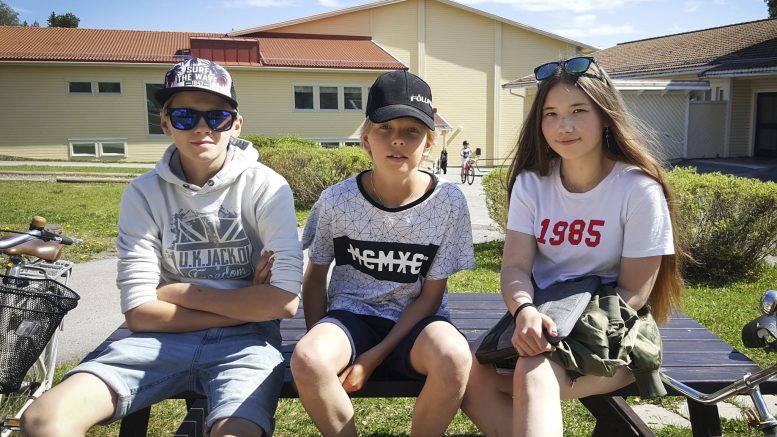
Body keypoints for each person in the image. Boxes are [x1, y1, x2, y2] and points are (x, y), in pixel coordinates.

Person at [21, 58, 303, 437]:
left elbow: (282, 301)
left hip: (246, 346)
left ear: (236, 124)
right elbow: (139, 314)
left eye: (216, 116)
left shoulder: (267, 187)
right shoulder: (143, 193)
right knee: (42, 420)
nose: (202, 128)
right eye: (185, 116)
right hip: (158, 340)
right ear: (165, 122)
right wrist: (248, 303)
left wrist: (176, 292)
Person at [461, 56, 684, 437]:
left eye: (578, 111)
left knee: (532, 373)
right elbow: (515, 267)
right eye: (550, 114)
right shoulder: (532, 184)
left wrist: (555, 330)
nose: (563, 126)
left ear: (605, 115)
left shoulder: (638, 190)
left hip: (613, 329)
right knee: (461, 369)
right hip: (540, 316)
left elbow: (633, 292)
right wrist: (525, 312)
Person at [291, 70, 475, 437]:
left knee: (455, 357)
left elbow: (431, 296)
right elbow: (314, 277)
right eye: (385, 128)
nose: (398, 141)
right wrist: (325, 349)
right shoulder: (337, 200)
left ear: (428, 144)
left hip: (418, 322)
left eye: (412, 132)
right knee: (309, 358)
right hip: (352, 316)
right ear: (365, 140)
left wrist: (374, 357)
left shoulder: (449, 202)